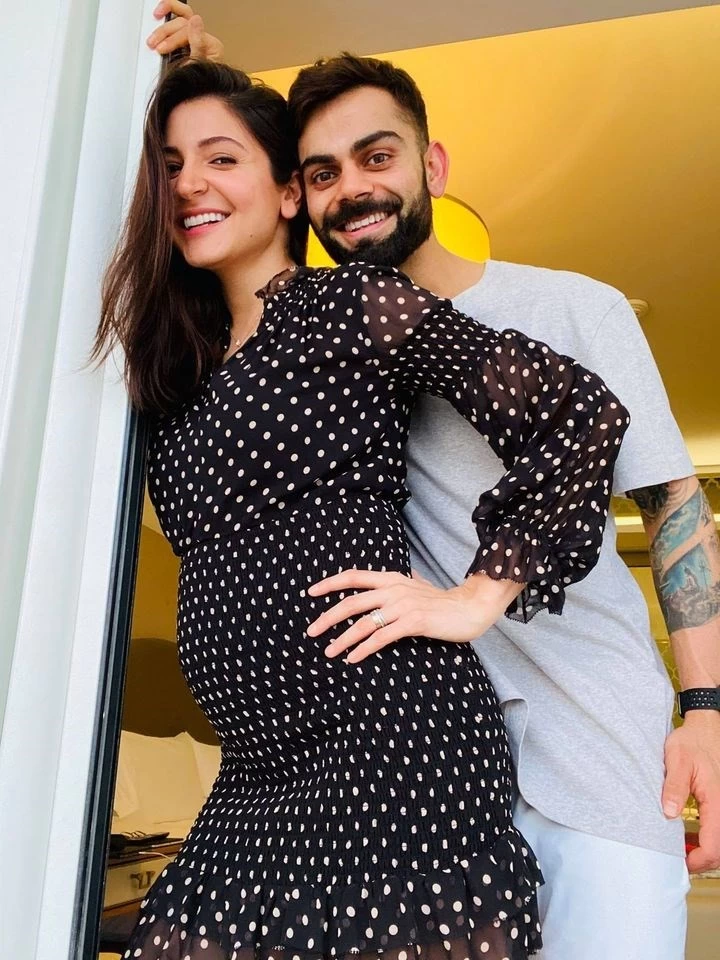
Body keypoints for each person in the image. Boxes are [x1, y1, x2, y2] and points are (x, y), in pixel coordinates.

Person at [145, 7, 720, 960]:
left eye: (377, 157)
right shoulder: (265, 352)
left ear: (434, 167)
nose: (352, 189)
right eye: (323, 172)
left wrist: (705, 715)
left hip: (574, 740)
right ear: (302, 193)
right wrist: (185, 83)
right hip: (313, 756)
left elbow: (665, 497)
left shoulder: (524, 306)